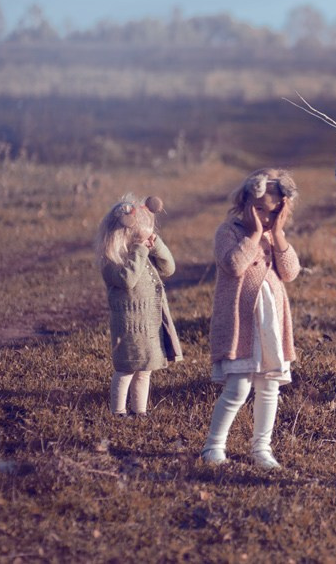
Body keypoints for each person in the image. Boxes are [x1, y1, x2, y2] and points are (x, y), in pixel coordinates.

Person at [201, 169, 301, 469]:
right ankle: (213, 446)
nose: (265, 218)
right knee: (238, 388)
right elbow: (233, 265)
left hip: (270, 325)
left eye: (273, 212)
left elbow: (290, 272)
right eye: (259, 209)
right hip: (241, 326)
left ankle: (262, 449)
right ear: (244, 202)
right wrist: (256, 236)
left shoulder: (275, 235)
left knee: (269, 388)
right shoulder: (228, 231)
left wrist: (278, 235)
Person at [94, 194, 182, 417]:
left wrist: (156, 245)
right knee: (126, 369)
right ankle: (118, 411)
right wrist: (140, 251)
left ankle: (140, 411)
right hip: (129, 328)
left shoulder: (142, 254)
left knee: (145, 371)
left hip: (149, 327)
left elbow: (169, 268)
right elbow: (127, 279)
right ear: (123, 235)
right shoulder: (112, 260)